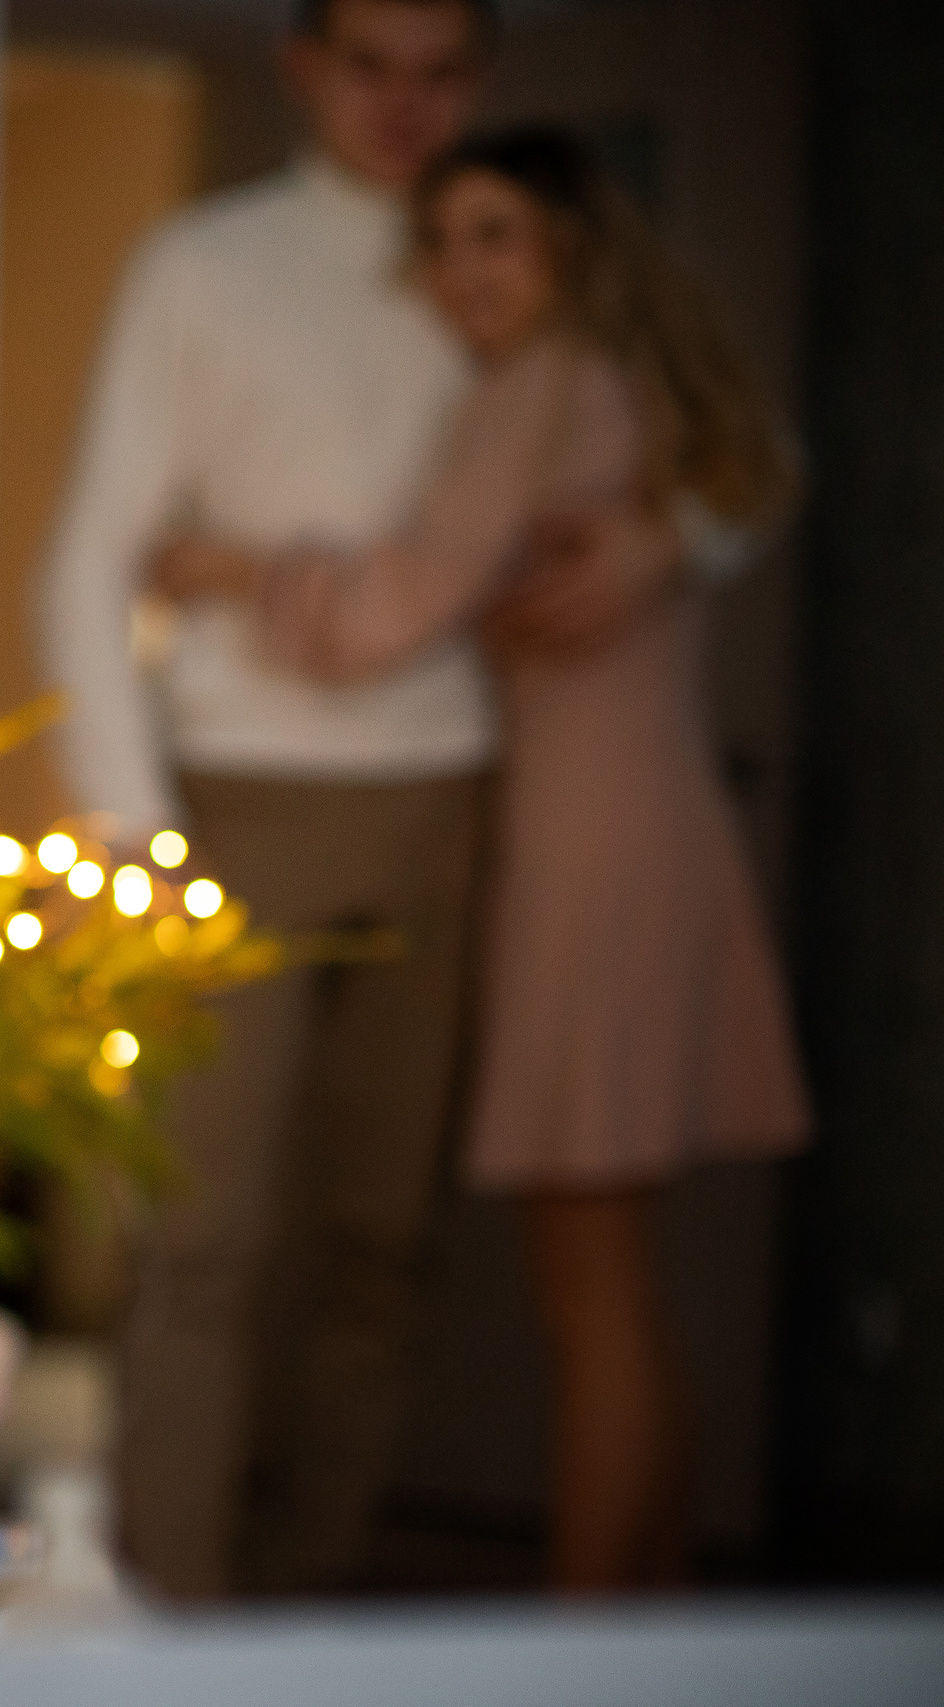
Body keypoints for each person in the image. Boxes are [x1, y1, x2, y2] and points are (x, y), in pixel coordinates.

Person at [39, 0, 723, 1598]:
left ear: (482, 80)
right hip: (243, 801)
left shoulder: (514, 277)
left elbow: (724, 440)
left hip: (454, 802)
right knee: (200, 1240)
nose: (405, 103)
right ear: (304, 70)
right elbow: (88, 556)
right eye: (371, 66)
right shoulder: (205, 266)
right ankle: (168, 1612)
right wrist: (133, 827)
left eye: (442, 71)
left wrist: (665, 541)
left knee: (382, 1249)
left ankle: (314, 1608)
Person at [154, 126, 808, 1591]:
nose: (463, 274)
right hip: (646, 830)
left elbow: (391, 608)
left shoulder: (537, 391)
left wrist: (224, 566)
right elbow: (757, 469)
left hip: (588, 853)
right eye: (443, 243)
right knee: (619, 1282)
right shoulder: (624, 387)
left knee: (590, 1288)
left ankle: (585, 1656)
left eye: (494, 235)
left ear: (569, 240)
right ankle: (652, 1622)